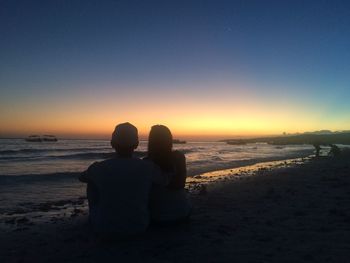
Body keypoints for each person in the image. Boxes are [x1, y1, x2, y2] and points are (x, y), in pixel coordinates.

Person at [79, 122, 168, 238]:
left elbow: (81, 177)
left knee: (90, 182)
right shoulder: (148, 166)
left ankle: (99, 215)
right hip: (139, 226)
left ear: (112, 144)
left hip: (104, 228)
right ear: (136, 144)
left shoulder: (99, 167)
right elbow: (164, 182)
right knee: (151, 182)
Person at [145, 125, 191, 224]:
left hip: (157, 217)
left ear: (151, 141)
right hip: (182, 213)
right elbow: (180, 184)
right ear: (170, 140)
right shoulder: (179, 157)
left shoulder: (146, 163)